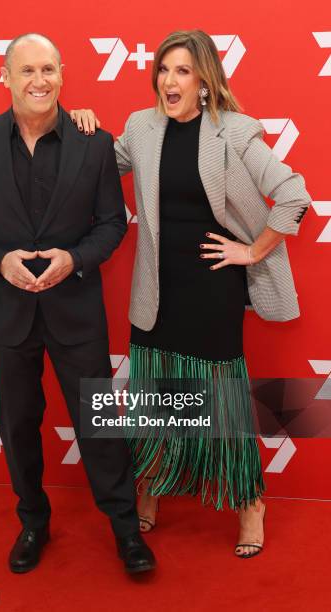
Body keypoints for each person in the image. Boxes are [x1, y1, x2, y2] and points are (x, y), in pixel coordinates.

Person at [70, 29, 311, 558]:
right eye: (163, 70)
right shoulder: (141, 126)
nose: (169, 80)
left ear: (204, 81)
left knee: (221, 402)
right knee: (155, 391)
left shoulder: (236, 132)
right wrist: (82, 126)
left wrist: (252, 251)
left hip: (211, 289)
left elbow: (294, 193)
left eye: (182, 71)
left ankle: (249, 501)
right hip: (156, 287)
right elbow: (93, 171)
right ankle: (155, 481)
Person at [0, 32, 155, 574]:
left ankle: (126, 531)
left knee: (100, 424)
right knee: (17, 424)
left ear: (63, 75)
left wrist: (75, 259)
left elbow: (111, 223)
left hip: (75, 310)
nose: (40, 80)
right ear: (5, 78)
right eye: (28, 70)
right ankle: (33, 522)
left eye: (50, 70)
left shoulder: (95, 142)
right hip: (4, 311)